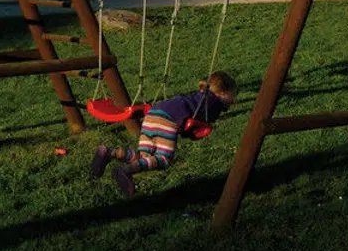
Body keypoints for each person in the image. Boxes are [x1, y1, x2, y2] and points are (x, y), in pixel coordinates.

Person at [90, 72, 237, 197]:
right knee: (164, 159)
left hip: (152, 114)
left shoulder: (199, 96)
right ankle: (125, 170)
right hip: (168, 120)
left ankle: (110, 152)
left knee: (144, 156)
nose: (234, 99)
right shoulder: (213, 103)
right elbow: (197, 127)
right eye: (233, 95)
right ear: (223, 93)